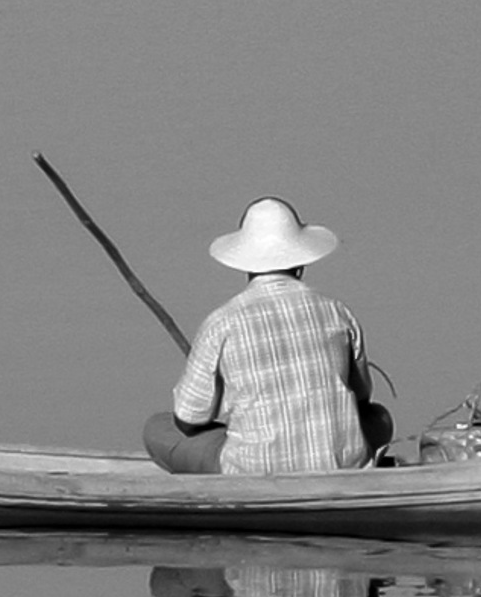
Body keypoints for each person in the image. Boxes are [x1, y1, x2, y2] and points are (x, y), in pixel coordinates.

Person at [143, 198, 392, 474]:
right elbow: (361, 398)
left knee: (157, 429)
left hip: (252, 468)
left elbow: (188, 418)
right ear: (301, 261)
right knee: (380, 418)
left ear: (245, 262)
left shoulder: (221, 322)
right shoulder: (337, 313)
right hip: (339, 463)